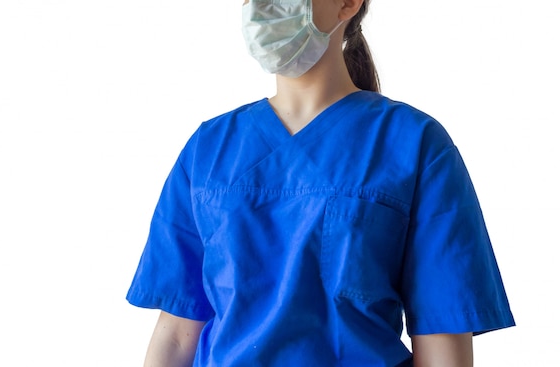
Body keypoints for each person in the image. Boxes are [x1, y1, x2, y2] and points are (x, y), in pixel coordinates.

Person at [126, 0, 516, 366]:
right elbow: (176, 333)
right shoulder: (208, 150)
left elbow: (442, 337)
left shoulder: (415, 145)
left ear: (349, 2)